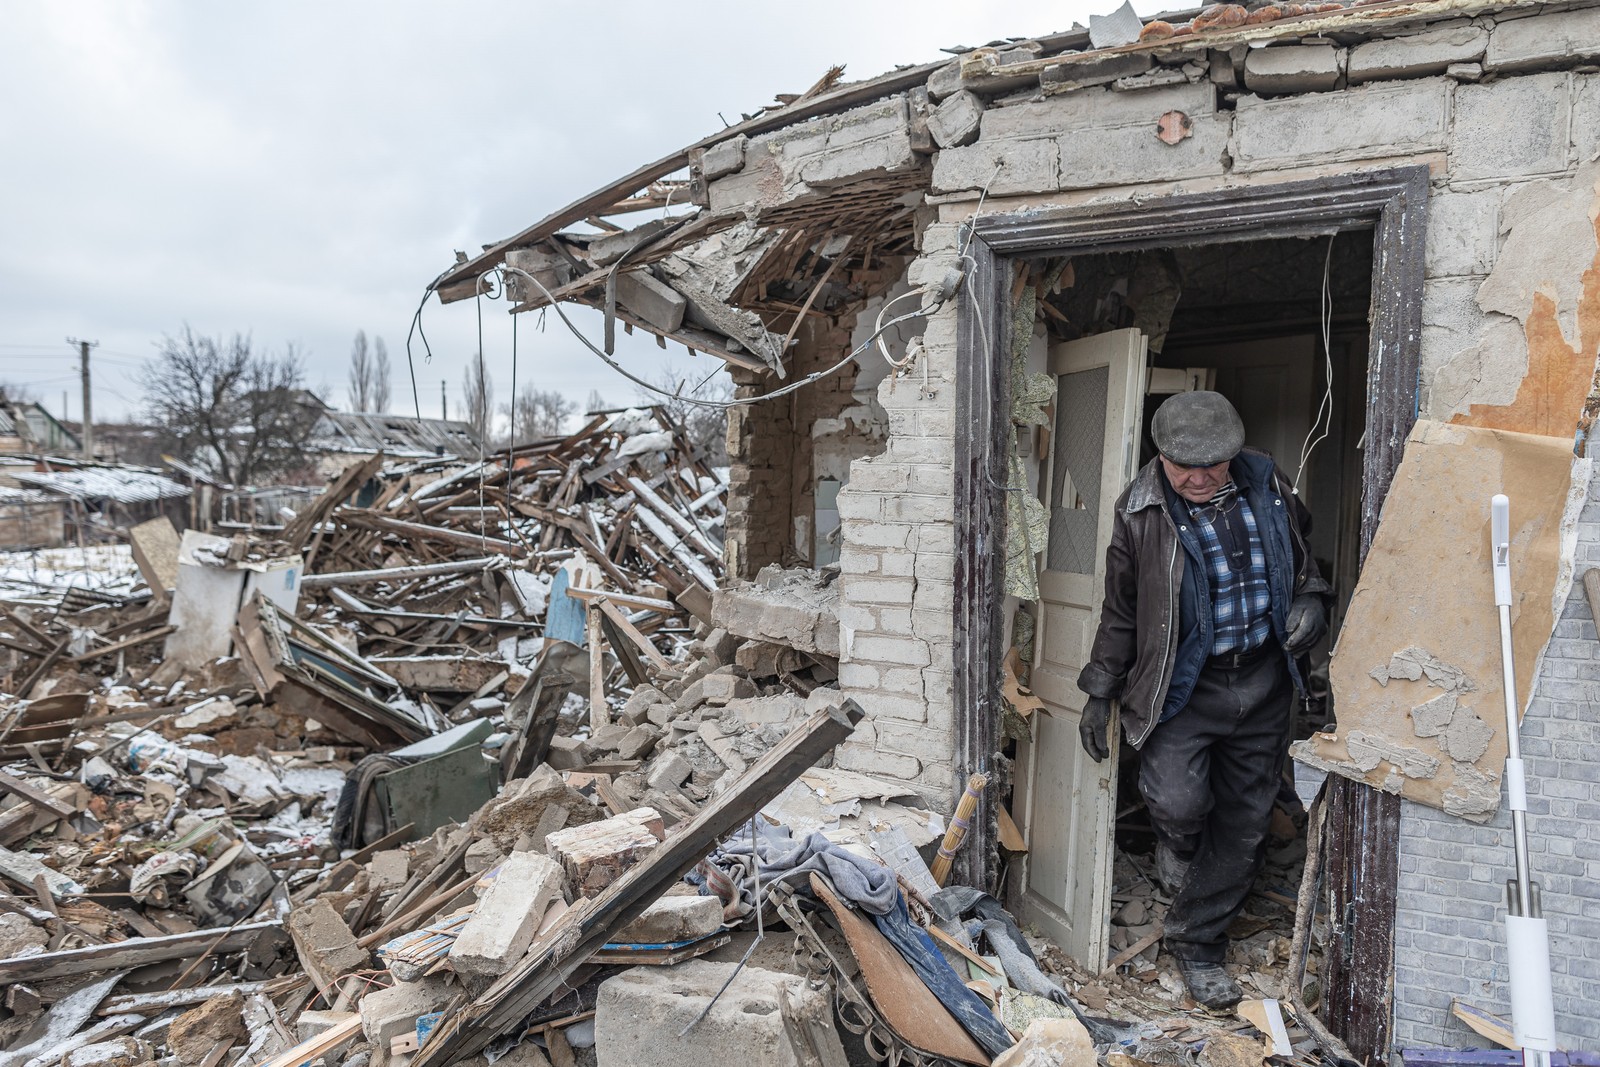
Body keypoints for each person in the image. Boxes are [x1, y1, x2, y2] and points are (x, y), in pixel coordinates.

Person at [1075, 390, 1329, 1010]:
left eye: (1212, 464)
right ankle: (1178, 845)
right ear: (1159, 456)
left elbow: (1303, 558)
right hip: (1184, 685)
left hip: (1264, 682)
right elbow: (1121, 611)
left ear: (1234, 452)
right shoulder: (1139, 512)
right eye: (1181, 464)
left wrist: (1312, 600)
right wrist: (1100, 690)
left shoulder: (1268, 481)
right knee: (1179, 802)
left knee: (1245, 822)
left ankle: (1198, 941)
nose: (1197, 477)